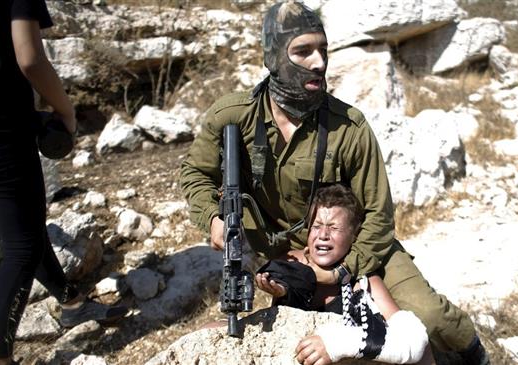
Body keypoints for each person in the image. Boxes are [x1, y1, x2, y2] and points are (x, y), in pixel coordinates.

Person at [179, 1, 489, 364]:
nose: (319, 62)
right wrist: (214, 218)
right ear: (275, 56)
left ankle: (474, 354)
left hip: (356, 245)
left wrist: (339, 272)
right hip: (289, 257)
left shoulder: (349, 126)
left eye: (323, 50)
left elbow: (378, 215)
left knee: (432, 318)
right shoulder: (232, 116)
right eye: (303, 51)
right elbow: (196, 174)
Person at [0, 1, 127, 364]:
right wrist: (66, 111)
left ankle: (72, 302)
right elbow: (30, 59)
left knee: (23, 227)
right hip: (6, 132)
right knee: (21, 247)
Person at [256, 184, 433, 365]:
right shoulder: (291, 262)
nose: (323, 235)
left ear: (354, 236)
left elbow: (414, 342)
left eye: (334, 228)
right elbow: (276, 275)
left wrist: (337, 344)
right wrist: (282, 289)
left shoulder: (363, 283)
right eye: (316, 226)